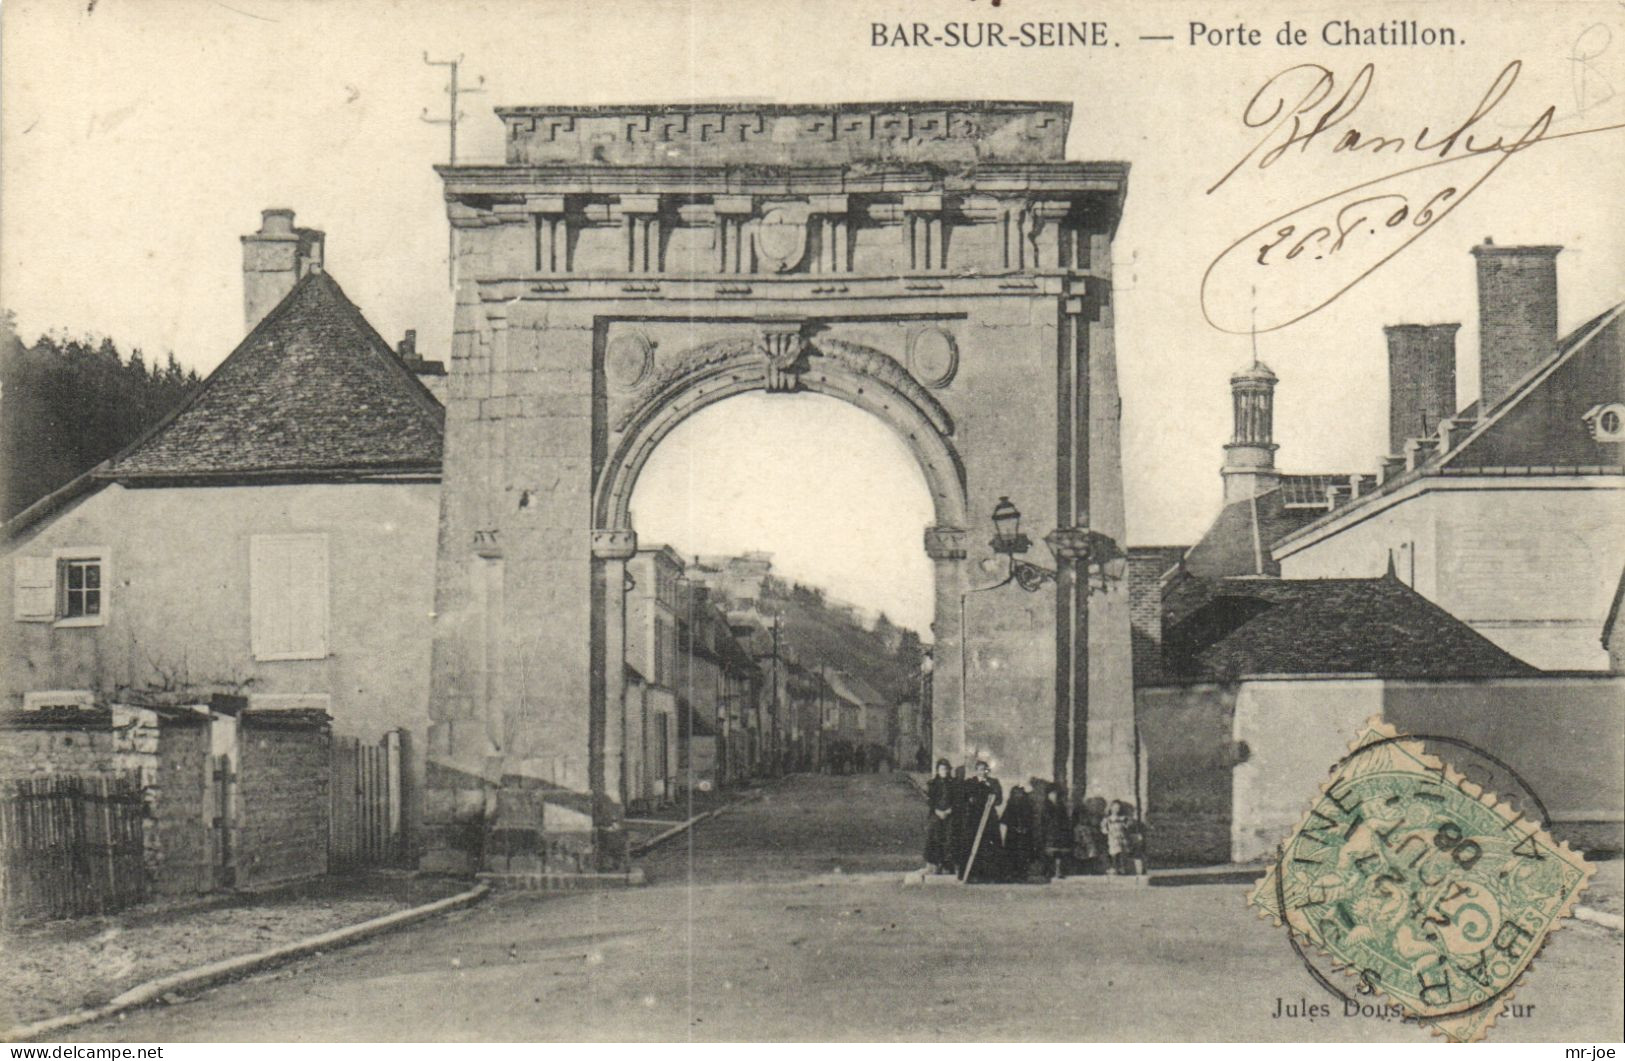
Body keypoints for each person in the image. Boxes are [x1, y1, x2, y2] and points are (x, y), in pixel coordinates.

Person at [958, 760, 1003, 881]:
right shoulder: (970, 783)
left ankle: (990, 875)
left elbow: (999, 800)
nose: (982, 772)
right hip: (974, 818)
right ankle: (970, 874)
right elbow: (964, 798)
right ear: (976, 770)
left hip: (989, 819)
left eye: (985, 769)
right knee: (971, 844)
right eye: (980, 769)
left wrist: (993, 797)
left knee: (989, 846)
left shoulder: (993, 783)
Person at [923, 758, 957, 874]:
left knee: (949, 838)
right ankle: (935, 864)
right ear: (938, 770)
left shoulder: (953, 784)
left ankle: (947, 865)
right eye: (942, 769)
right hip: (936, 814)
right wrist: (937, 811)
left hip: (949, 814)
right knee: (935, 838)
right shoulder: (932, 784)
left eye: (946, 769)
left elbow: (957, 800)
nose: (944, 771)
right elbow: (930, 800)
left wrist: (949, 811)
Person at [1000, 785, 1035, 882]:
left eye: (1020, 793)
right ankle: (1012, 874)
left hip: (1025, 834)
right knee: (1012, 854)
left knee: (1024, 855)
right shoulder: (1010, 805)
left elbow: (1030, 819)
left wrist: (1026, 828)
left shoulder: (1027, 806)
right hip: (1013, 835)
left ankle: (1022, 874)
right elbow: (1005, 819)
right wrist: (1015, 828)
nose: (1018, 796)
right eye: (1016, 794)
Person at [1038, 784, 1073, 880]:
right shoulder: (1045, 806)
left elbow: (1065, 820)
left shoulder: (1061, 807)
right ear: (1048, 795)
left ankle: (1058, 871)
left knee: (1059, 853)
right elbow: (1043, 822)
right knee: (1049, 852)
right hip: (1049, 832)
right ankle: (1047, 871)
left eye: (1056, 794)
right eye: (1052, 794)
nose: (1054, 796)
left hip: (1060, 832)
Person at [1103, 799, 1137, 876]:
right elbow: (1104, 829)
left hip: (1121, 837)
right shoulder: (1107, 819)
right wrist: (1107, 831)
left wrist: (1126, 823)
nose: (1116, 810)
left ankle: (1122, 868)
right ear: (1111, 808)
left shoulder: (1123, 818)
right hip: (1112, 838)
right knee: (1114, 853)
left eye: (1118, 808)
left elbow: (1127, 827)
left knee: (1121, 852)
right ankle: (1114, 868)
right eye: (1114, 808)